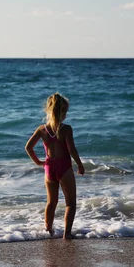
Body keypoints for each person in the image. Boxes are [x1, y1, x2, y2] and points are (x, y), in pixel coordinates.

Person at [25, 92, 84, 239]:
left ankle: (48, 231)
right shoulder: (66, 129)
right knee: (70, 203)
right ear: (63, 112)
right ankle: (67, 234)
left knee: (51, 202)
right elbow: (72, 150)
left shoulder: (42, 129)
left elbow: (28, 147)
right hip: (64, 168)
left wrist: (39, 162)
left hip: (49, 168)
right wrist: (80, 164)